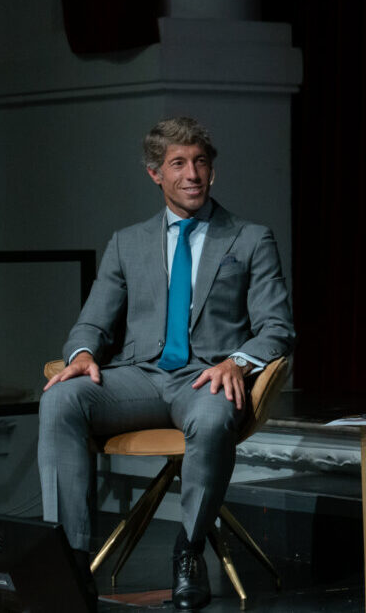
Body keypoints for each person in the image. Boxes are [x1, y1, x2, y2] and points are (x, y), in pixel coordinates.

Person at [38, 117, 296, 611]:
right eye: (179, 164)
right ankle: (69, 561)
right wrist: (84, 354)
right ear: (156, 174)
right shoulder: (127, 243)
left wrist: (237, 362)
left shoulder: (249, 239)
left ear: (213, 171)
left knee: (214, 413)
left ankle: (189, 550)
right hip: (140, 377)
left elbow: (278, 327)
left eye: (201, 162)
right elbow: (91, 323)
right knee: (63, 398)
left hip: (204, 379)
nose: (192, 174)